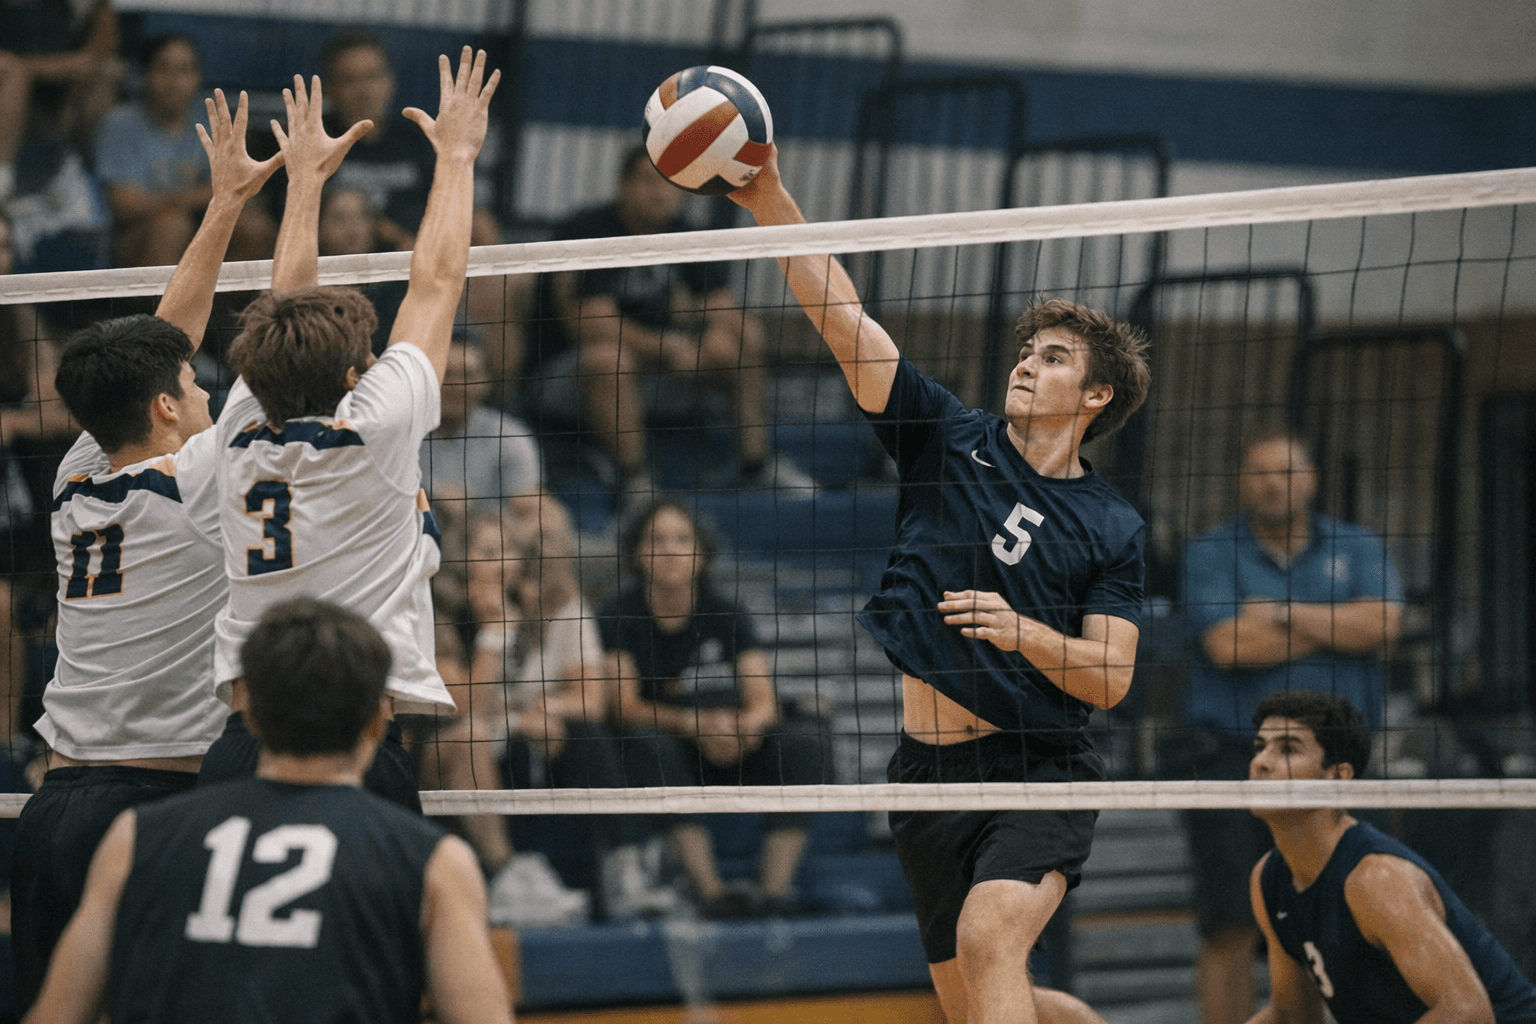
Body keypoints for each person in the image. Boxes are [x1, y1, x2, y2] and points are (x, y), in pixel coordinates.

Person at [731, 146, 1149, 1023]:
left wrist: (1020, 629)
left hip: (1036, 768)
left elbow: (1110, 680)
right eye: (1028, 350)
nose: (1028, 364)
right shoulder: (947, 438)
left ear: (1097, 395)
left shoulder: (1112, 525)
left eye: (1057, 357)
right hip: (923, 774)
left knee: (993, 935)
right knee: (984, 1001)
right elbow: (843, 317)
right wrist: (768, 195)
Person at [11, 89, 282, 1014]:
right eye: (193, 389)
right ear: (168, 408)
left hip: (53, 812)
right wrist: (295, 197)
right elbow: (272, 346)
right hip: (153, 809)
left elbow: (168, 340)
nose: (206, 393)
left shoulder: (78, 478)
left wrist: (224, 203)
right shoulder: (197, 479)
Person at [201, 52, 500, 808]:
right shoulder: (376, 426)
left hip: (240, 747)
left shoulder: (240, 424)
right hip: (355, 747)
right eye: (366, 361)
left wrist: (304, 182)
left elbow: (283, 308)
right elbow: (436, 281)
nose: (376, 366)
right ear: (348, 382)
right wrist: (458, 157)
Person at [22, 597, 514, 1024]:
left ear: (249, 716)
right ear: (373, 726)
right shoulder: (435, 863)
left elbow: (58, 1014)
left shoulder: (133, 840)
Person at [1182, 432, 1405, 1024]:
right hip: (1234, 759)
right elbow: (1228, 645)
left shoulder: (1357, 545)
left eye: (1285, 471)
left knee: (1354, 912)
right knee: (1229, 921)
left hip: (1334, 766)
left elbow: (1382, 624)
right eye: (1258, 473)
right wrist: (1335, 624)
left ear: (1311, 479)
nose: (1272, 482)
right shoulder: (1210, 551)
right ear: (1241, 483)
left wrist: (1281, 613)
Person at [532, 146, 814, 504]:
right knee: (608, 359)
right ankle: (634, 482)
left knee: (740, 342)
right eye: (649, 182)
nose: (661, 192)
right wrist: (666, 347)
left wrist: (713, 338)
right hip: (564, 377)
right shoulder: (589, 231)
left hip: (656, 370)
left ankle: (756, 464)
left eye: (670, 184)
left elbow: (723, 309)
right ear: (623, 185)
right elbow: (591, 324)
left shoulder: (684, 234)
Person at [442, 492, 674, 925]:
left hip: (526, 743)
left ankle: (625, 868)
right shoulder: (443, 614)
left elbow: (591, 701)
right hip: (454, 749)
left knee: (587, 732)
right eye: (488, 552)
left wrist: (535, 711)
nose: (502, 563)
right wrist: (495, 633)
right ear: (460, 560)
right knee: (475, 737)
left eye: (509, 551)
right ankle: (508, 877)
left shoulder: (558, 602)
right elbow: (464, 710)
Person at [1245, 690, 1536, 1024]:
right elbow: (1291, 1015)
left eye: (1287, 749)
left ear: (1338, 776)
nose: (1260, 762)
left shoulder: (1375, 879)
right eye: (1259, 747)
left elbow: (1469, 1013)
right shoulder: (1268, 879)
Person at [601, 497, 832, 918]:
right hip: (674, 747)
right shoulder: (619, 613)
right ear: (637, 554)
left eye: (682, 539)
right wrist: (695, 725)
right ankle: (712, 894)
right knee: (643, 740)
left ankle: (773, 893)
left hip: (735, 740)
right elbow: (624, 706)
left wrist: (744, 728)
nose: (670, 550)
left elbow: (763, 699)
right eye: (657, 540)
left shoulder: (727, 612)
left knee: (807, 737)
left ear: (702, 554)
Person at [419, 336, 541, 523]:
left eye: (467, 375)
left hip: (485, 539)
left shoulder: (510, 436)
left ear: (486, 383)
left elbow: (527, 506)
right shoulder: (396, 434)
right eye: (446, 374)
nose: (457, 385)